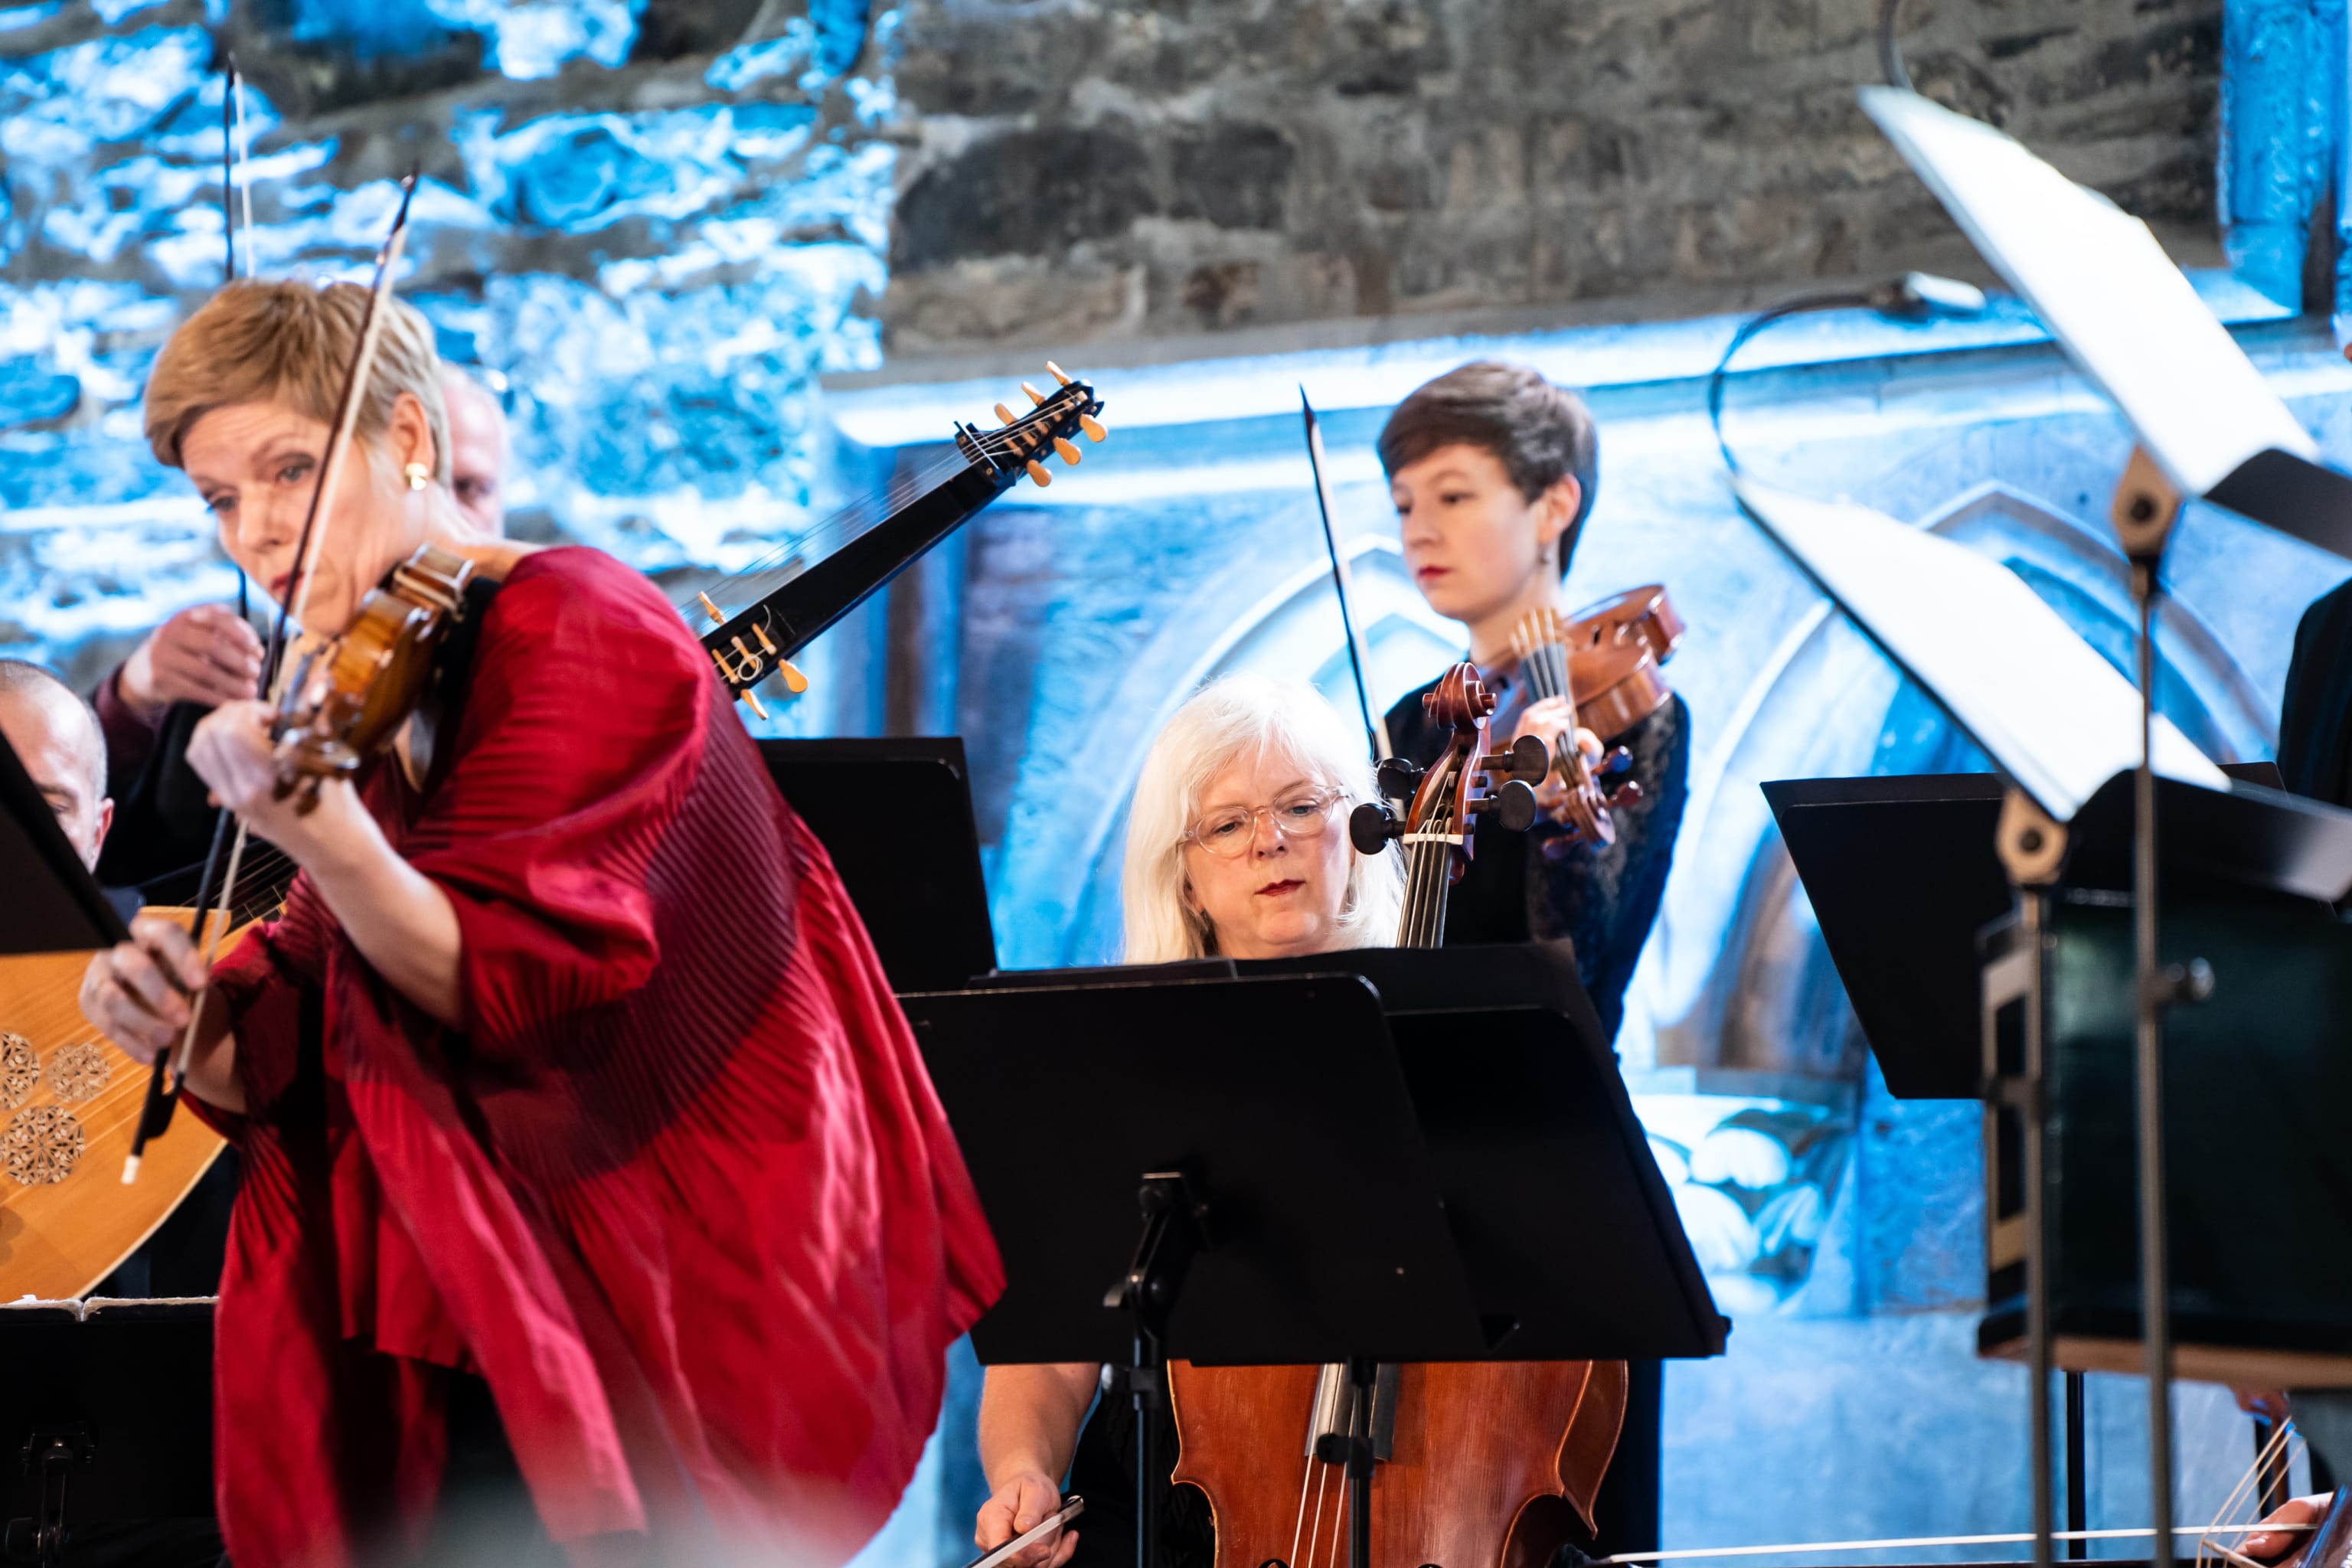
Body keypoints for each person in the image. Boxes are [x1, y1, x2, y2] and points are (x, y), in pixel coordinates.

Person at [74, 278, 1002, 1568]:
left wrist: (320, 831)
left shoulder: (579, 620)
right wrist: (187, 1023)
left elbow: (508, 971)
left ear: (408, 437)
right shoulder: (388, 677)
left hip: (637, 1316)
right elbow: (296, 1013)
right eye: (222, 499)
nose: (258, 534)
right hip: (481, 1306)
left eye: (289, 470)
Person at [975, 673, 1403, 1568]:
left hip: (1403, 1506)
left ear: (1358, 832)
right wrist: (1024, 1469)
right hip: (1164, 1516)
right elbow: (1049, 1352)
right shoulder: (1116, 1067)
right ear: (1190, 880)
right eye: (1228, 823)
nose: (1271, 842)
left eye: (1300, 805)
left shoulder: (1455, 1040)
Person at [88, 365, 511, 890]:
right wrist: (132, 698)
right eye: (223, 500)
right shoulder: (243, 674)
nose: (429, 506)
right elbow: (106, 874)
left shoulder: (536, 658)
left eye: (469, 487)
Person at [1379, 361, 1688, 1048]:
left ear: (1554, 506)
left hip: (1560, 1107)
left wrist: (1557, 824)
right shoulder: (1407, 723)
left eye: (1452, 497)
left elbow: (1590, 967)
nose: (1418, 532)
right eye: (1404, 506)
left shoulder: (1623, 711)